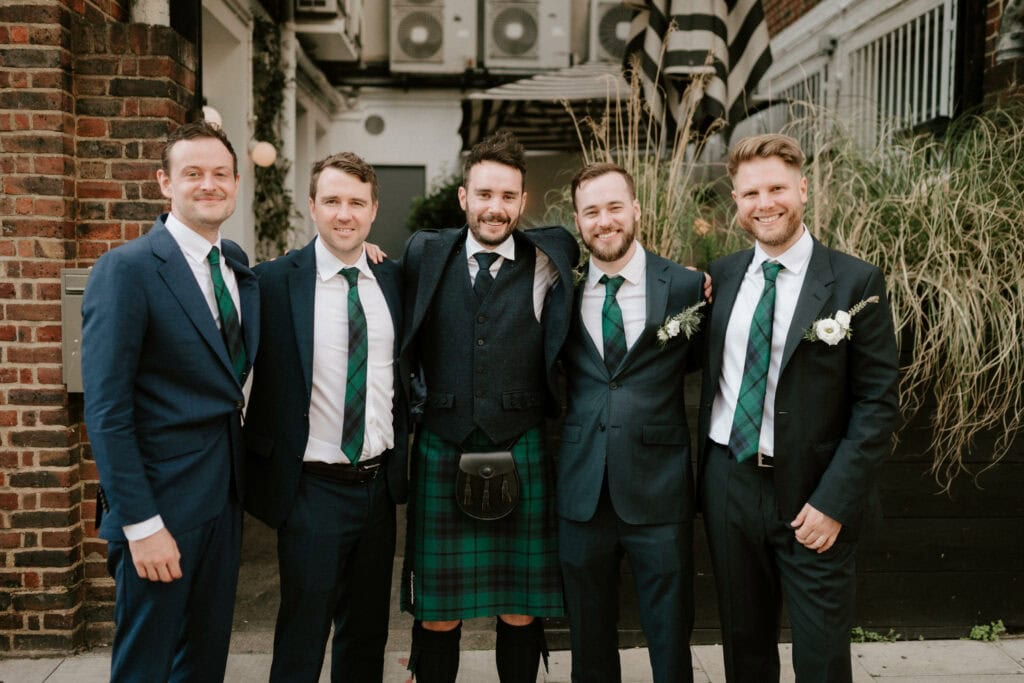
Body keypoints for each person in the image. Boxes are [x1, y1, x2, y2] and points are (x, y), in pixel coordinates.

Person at [698, 134, 899, 682]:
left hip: (814, 494)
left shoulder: (856, 282)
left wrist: (834, 501)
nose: (765, 203)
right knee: (744, 647)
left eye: (777, 188)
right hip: (729, 484)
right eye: (750, 193)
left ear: (803, 188)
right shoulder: (723, 274)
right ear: (735, 201)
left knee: (821, 656)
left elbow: (877, 403)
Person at [399, 130, 579, 683]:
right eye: (484, 194)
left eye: (507, 197)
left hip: (520, 439)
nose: (495, 208)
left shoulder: (552, 256)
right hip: (442, 441)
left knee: (521, 605)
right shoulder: (424, 253)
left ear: (523, 202)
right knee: (438, 611)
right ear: (463, 197)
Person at [82, 120, 258, 681]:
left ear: (237, 182)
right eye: (193, 174)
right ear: (165, 183)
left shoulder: (235, 263)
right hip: (159, 508)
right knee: (146, 664)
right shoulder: (127, 269)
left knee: (203, 661)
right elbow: (107, 411)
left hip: (223, 500)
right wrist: (140, 524)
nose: (209, 184)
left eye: (220, 174)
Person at [243, 152, 408, 681]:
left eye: (356, 203)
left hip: (378, 489)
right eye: (332, 201)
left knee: (366, 637)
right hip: (311, 488)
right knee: (303, 632)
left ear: (374, 210)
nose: (345, 214)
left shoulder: (394, 281)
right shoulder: (270, 283)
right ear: (311, 207)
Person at [557, 162, 705, 683]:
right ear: (577, 221)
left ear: (636, 210)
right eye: (591, 211)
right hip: (581, 490)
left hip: (658, 488)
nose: (605, 220)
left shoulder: (686, 286)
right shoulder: (560, 291)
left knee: (670, 633)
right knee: (588, 636)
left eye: (615, 206)